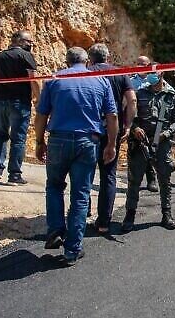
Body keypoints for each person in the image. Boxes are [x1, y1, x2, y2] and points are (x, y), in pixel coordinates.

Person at [34, 47, 118, 265]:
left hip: (58, 140)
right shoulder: (100, 81)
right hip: (87, 142)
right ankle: (72, 250)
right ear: (87, 62)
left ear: (67, 61)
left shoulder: (54, 80)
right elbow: (112, 116)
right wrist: (111, 144)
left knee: (54, 186)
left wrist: (39, 141)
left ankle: (55, 229)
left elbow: (41, 114)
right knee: (80, 195)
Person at [122, 71, 175, 231]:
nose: (150, 76)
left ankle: (167, 214)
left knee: (165, 180)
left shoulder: (171, 96)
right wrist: (134, 128)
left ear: (161, 74)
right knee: (134, 180)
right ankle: (130, 215)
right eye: (148, 73)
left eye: (153, 73)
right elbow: (128, 116)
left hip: (162, 144)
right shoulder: (139, 93)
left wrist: (166, 134)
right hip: (140, 143)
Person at [88, 43, 137, 234]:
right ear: (108, 57)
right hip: (112, 129)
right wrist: (128, 125)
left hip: (89, 130)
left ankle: (82, 213)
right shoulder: (121, 74)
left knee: (85, 172)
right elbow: (132, 100)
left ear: (90, 59)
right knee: (108, 175)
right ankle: (104, 222)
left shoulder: (85, 73)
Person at [0, 30, 40, 184]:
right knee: (18, 138)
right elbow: (34, 79)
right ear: (20, 41)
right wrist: (40, 99)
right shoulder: (26, 56)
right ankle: (14, 175)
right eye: (29, 42)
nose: (31, 44)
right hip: (19, 102)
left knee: (0, 134)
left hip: (0, 101)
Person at [129, 55, 159, 192]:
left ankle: (152, 178)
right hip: (135, 120)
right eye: (138, 63)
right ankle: (133, 180)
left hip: (150, 121)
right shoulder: (130, 81)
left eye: (143, 64)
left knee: (151, 152)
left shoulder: (153, 80)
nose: (140, 66)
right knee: (135, 150)